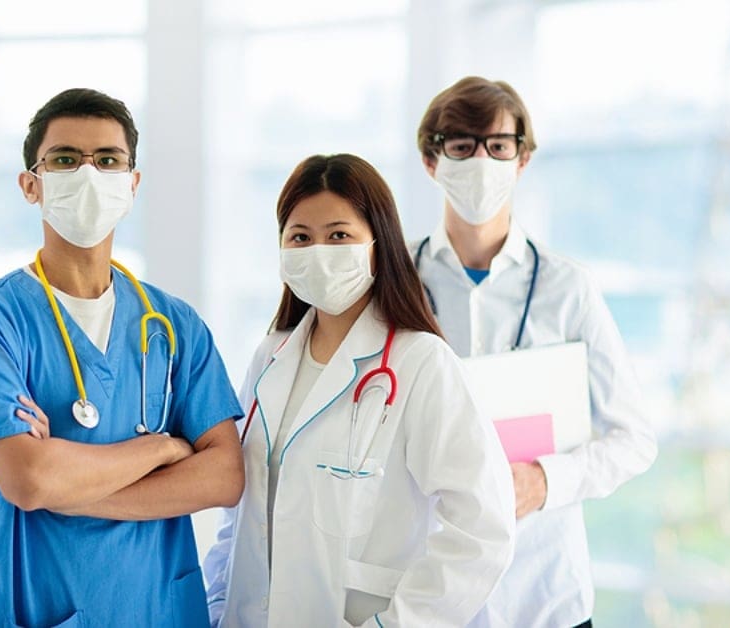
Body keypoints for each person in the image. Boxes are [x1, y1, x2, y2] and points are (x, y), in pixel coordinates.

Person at [0, 87, 244, 627]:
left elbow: (223, 477)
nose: (89, 174)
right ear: (32, 185)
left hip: (160, 610)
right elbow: (29, 481)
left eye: (108, 160)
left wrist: (71, 488)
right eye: (66, 160)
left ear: (132, 183)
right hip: (38, 610)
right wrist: (163, 448)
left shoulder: (173, 326)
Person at [203, 153, 515, 627]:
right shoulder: (270, 357)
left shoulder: (420, 363)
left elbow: (483, 528)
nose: (318, 251)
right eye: (300, 237)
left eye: (339, 235)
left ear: (378, 243)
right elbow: (243, 515)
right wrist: (215, 606)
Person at [411, 76, 658, 627]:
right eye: (461, 145)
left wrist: (545, 481)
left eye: (498, 146)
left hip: (545, 597)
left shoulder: (567, 287)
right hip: (427, 597)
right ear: (432, 160)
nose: (481, 160)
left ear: (522, 160)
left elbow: (634, 439)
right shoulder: (395, 283)